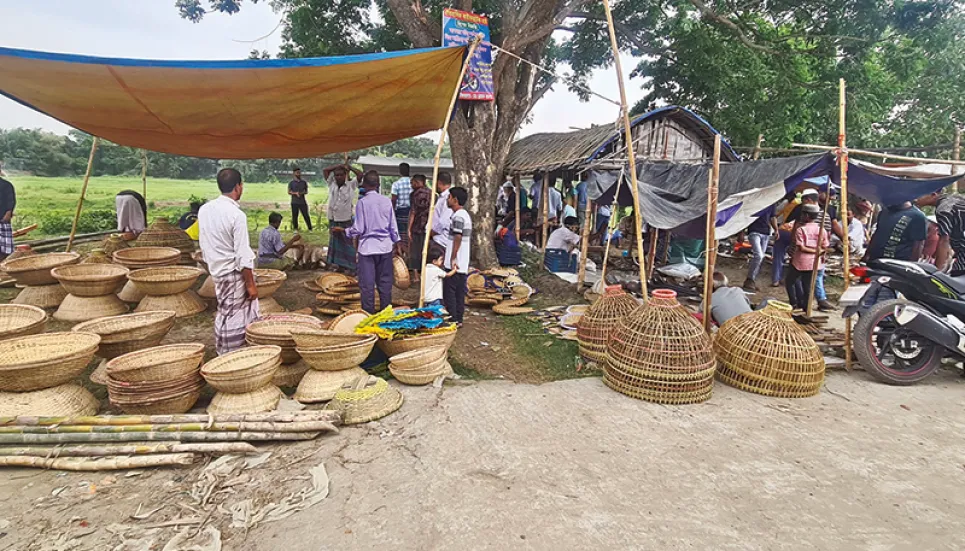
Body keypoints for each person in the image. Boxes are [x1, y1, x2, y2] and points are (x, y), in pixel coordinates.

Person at [198, 168, 259, 355]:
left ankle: (229, 351)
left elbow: (204, 243)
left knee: (226, 311)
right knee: (232, 316)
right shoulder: (236, 215)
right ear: (238, 187)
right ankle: (229, 355)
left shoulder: (205, 209)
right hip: (232, 273)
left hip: (217, 270)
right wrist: (250, 284)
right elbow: (242, 255)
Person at [334, 170, 401, 313]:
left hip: (367, 249)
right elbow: (393, 227)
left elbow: (359, 228)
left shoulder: (362, 203)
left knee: (367, 285)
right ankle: (385, 315)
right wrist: (396, 243)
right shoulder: (387, 201)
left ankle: (368, 316)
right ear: (378, 184)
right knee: (385, 284)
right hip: (385, 248)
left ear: (364, 185)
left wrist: (345, 231)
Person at [785, 204, 829, 310]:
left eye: (803, 214)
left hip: (800, 262)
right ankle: (806, 307)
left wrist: (814, 251)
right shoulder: (822, 230)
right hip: (814, 263)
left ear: (807, 215)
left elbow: (802, 248)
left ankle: (794, 303)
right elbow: (825, 247)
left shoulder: (801, 230)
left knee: (790, 281)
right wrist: (818, 252)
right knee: (807, 286)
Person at [324, 163, 362, 273]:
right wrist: (338, 165)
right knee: (336, 244)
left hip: (345, 219)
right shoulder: (332, 184)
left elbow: (360, 174)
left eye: (341, 175)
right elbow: (325, 170)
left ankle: (351, 266)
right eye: (336, 175)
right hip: (333, 219)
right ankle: (340, 265)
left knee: (347, 244)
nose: (338, 177)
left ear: (345, 175)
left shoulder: (351, 185)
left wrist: (349, 167)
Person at [915, 191, 965, 275]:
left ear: (933, 194)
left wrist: (937, 272)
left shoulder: (943, 210)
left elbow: (944, 241)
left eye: (919, 195)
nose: (915, 199)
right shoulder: (955, 199)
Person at [443, 187, 471, 325]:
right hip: (462, 261)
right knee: (459, 292)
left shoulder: (458, 216)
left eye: (449, 197)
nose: (447, 200)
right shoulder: (463, 215)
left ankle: (453, 318)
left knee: (450, 292)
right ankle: (458, 318)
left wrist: (453, 256)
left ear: (455, 200)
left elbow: (458, 236)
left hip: (455, 261)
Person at [743, 204, 778, 292]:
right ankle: (750, 279)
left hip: (766, 232)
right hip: (754, 231)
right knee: (759, 256)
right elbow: (745, 217)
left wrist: (776, 229)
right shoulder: (756, 199)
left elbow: (772, 217)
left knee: (760, 258)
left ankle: (752, 281)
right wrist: (741, 232)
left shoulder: (772, 202)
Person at [407, 174, 432, 284]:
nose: (411, 185)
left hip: (417, 226)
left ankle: (416, 275)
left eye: (412, 183)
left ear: (417, 182)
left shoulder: (414, 194)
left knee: (415, 251)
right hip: (428, 226)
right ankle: (426, 275)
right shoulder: (432, 193)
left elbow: (413, 211)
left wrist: (409, 228)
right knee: (426, 250)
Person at [391, 162, 412, 255]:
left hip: (400, 212)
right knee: (409, 234)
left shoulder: (396, 184)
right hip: (411, 212)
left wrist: (392, 212)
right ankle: (409, 254)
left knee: (400, 234)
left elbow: (394, 200)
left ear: (400, 171)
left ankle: (401, 255)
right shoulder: (413, 183)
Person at [430, 172, 454, 248]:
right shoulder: (441, 198)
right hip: (437, 237)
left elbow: (444, 220)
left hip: (441, 240)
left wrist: (434, 232)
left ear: (439, 183)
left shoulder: (447, 198)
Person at [0, 171, 14, 260]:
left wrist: (9, 212)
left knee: (4, 246)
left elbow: (11, 200)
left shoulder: (6, 185)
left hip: (2, 217)